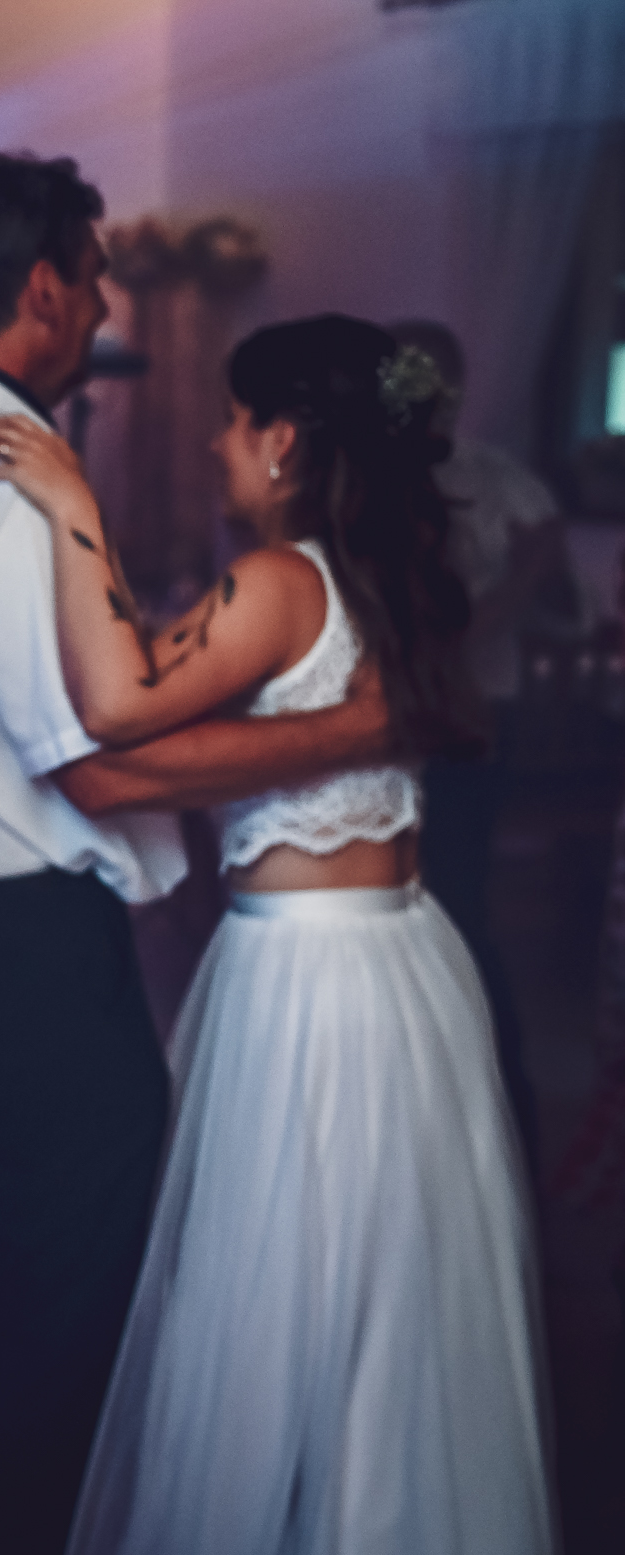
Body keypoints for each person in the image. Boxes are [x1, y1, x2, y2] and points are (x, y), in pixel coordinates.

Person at [0, 155, 393, 1555]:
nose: (108, 304)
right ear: (46, 288)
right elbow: (91, 757)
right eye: (97, 276)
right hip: (21, 948)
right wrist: (349, 735)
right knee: (68, 1309)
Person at [0, 314, 561, 1555]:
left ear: (283, 439)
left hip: (307, 991)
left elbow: (114, 703)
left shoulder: (279, 580)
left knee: (275, 1304)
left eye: (235, 422)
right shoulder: (386, 573)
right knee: (386, 1319)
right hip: (405, 966)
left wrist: (70, 502)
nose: (219, 445)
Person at [390, 317, 572, 1163]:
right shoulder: (371, 478)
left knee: (457, 908)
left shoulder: (495, 474)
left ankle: (496, 1125)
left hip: (469, 722)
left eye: (442, 376)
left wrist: (509, 597)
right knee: (403, 912)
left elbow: (548, 554)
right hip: (392, 725)